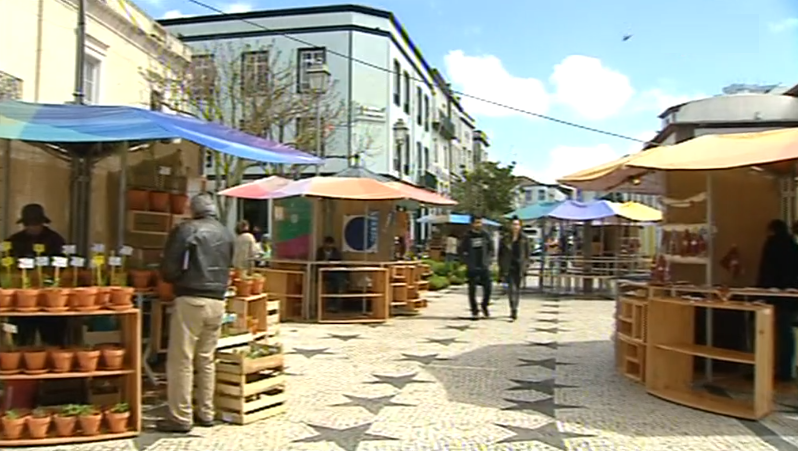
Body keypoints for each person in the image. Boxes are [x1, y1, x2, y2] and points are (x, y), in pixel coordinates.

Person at [157, 193, 235, 433]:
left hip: (191, 299)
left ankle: (181, 416)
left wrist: (175, 279)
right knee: (206, 358)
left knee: (181, 359)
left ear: (193, 209)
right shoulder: (226, 233)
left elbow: (169, 268)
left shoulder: (187, 229)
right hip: (217, 300)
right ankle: (206, 411)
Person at [6, 204, 66, 346]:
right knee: (22, 340)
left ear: (42, 222)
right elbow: (7, 265)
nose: (32, 227)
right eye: (29, 224)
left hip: (49, 298)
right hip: (22, 299)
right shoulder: (14, 241)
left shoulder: (54, 239)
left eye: (35, 223)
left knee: (53, 338)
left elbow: (63, 265)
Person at [756, 219, 798, 382]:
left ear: (771, 230)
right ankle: (785, 370)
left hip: (773, 295)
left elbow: (766, 271)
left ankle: (765, 368)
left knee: (766, 332)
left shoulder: (772, 244)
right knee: (786, 333)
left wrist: (760, 293)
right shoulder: (793, 245)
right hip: (790, 297)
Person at [459, 215, 494, 320]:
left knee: (488, 288)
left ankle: (484, 305)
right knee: (472, 290)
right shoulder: (467, 236)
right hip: (472, 266)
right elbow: (461, 250)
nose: (478, 225)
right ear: (472, 224)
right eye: (476, 223)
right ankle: (474, 311)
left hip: (484, 265)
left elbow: (491, 249)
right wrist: (466, 261)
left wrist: (489, 261)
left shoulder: (485, 235)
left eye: (480, 222)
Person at [498, 216, 529, 321]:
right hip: (508, 266)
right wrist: (501, 267)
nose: (515, 227)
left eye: (517, 225)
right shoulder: (505, 239)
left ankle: (515, 306)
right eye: (513, 224)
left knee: (517, 289)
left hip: (519, 266)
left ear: (520, 226)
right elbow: (500, 254)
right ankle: (513, 308)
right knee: (511, 288)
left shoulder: (524, 239)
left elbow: (527, 254)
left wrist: (525, 266)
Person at [316, 236, 345, 312]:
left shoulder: (336, 251)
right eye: (327, 244)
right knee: (334, 282)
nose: (328, 246)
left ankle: (336, 306)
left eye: (330, 244)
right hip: (322, 272)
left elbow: (340, 262)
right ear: (324, 244)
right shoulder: (319, 251)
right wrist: (324, 264)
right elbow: (317, 262)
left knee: (338, 282)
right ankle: (331, 305)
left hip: (334, 272)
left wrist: (333, 265)